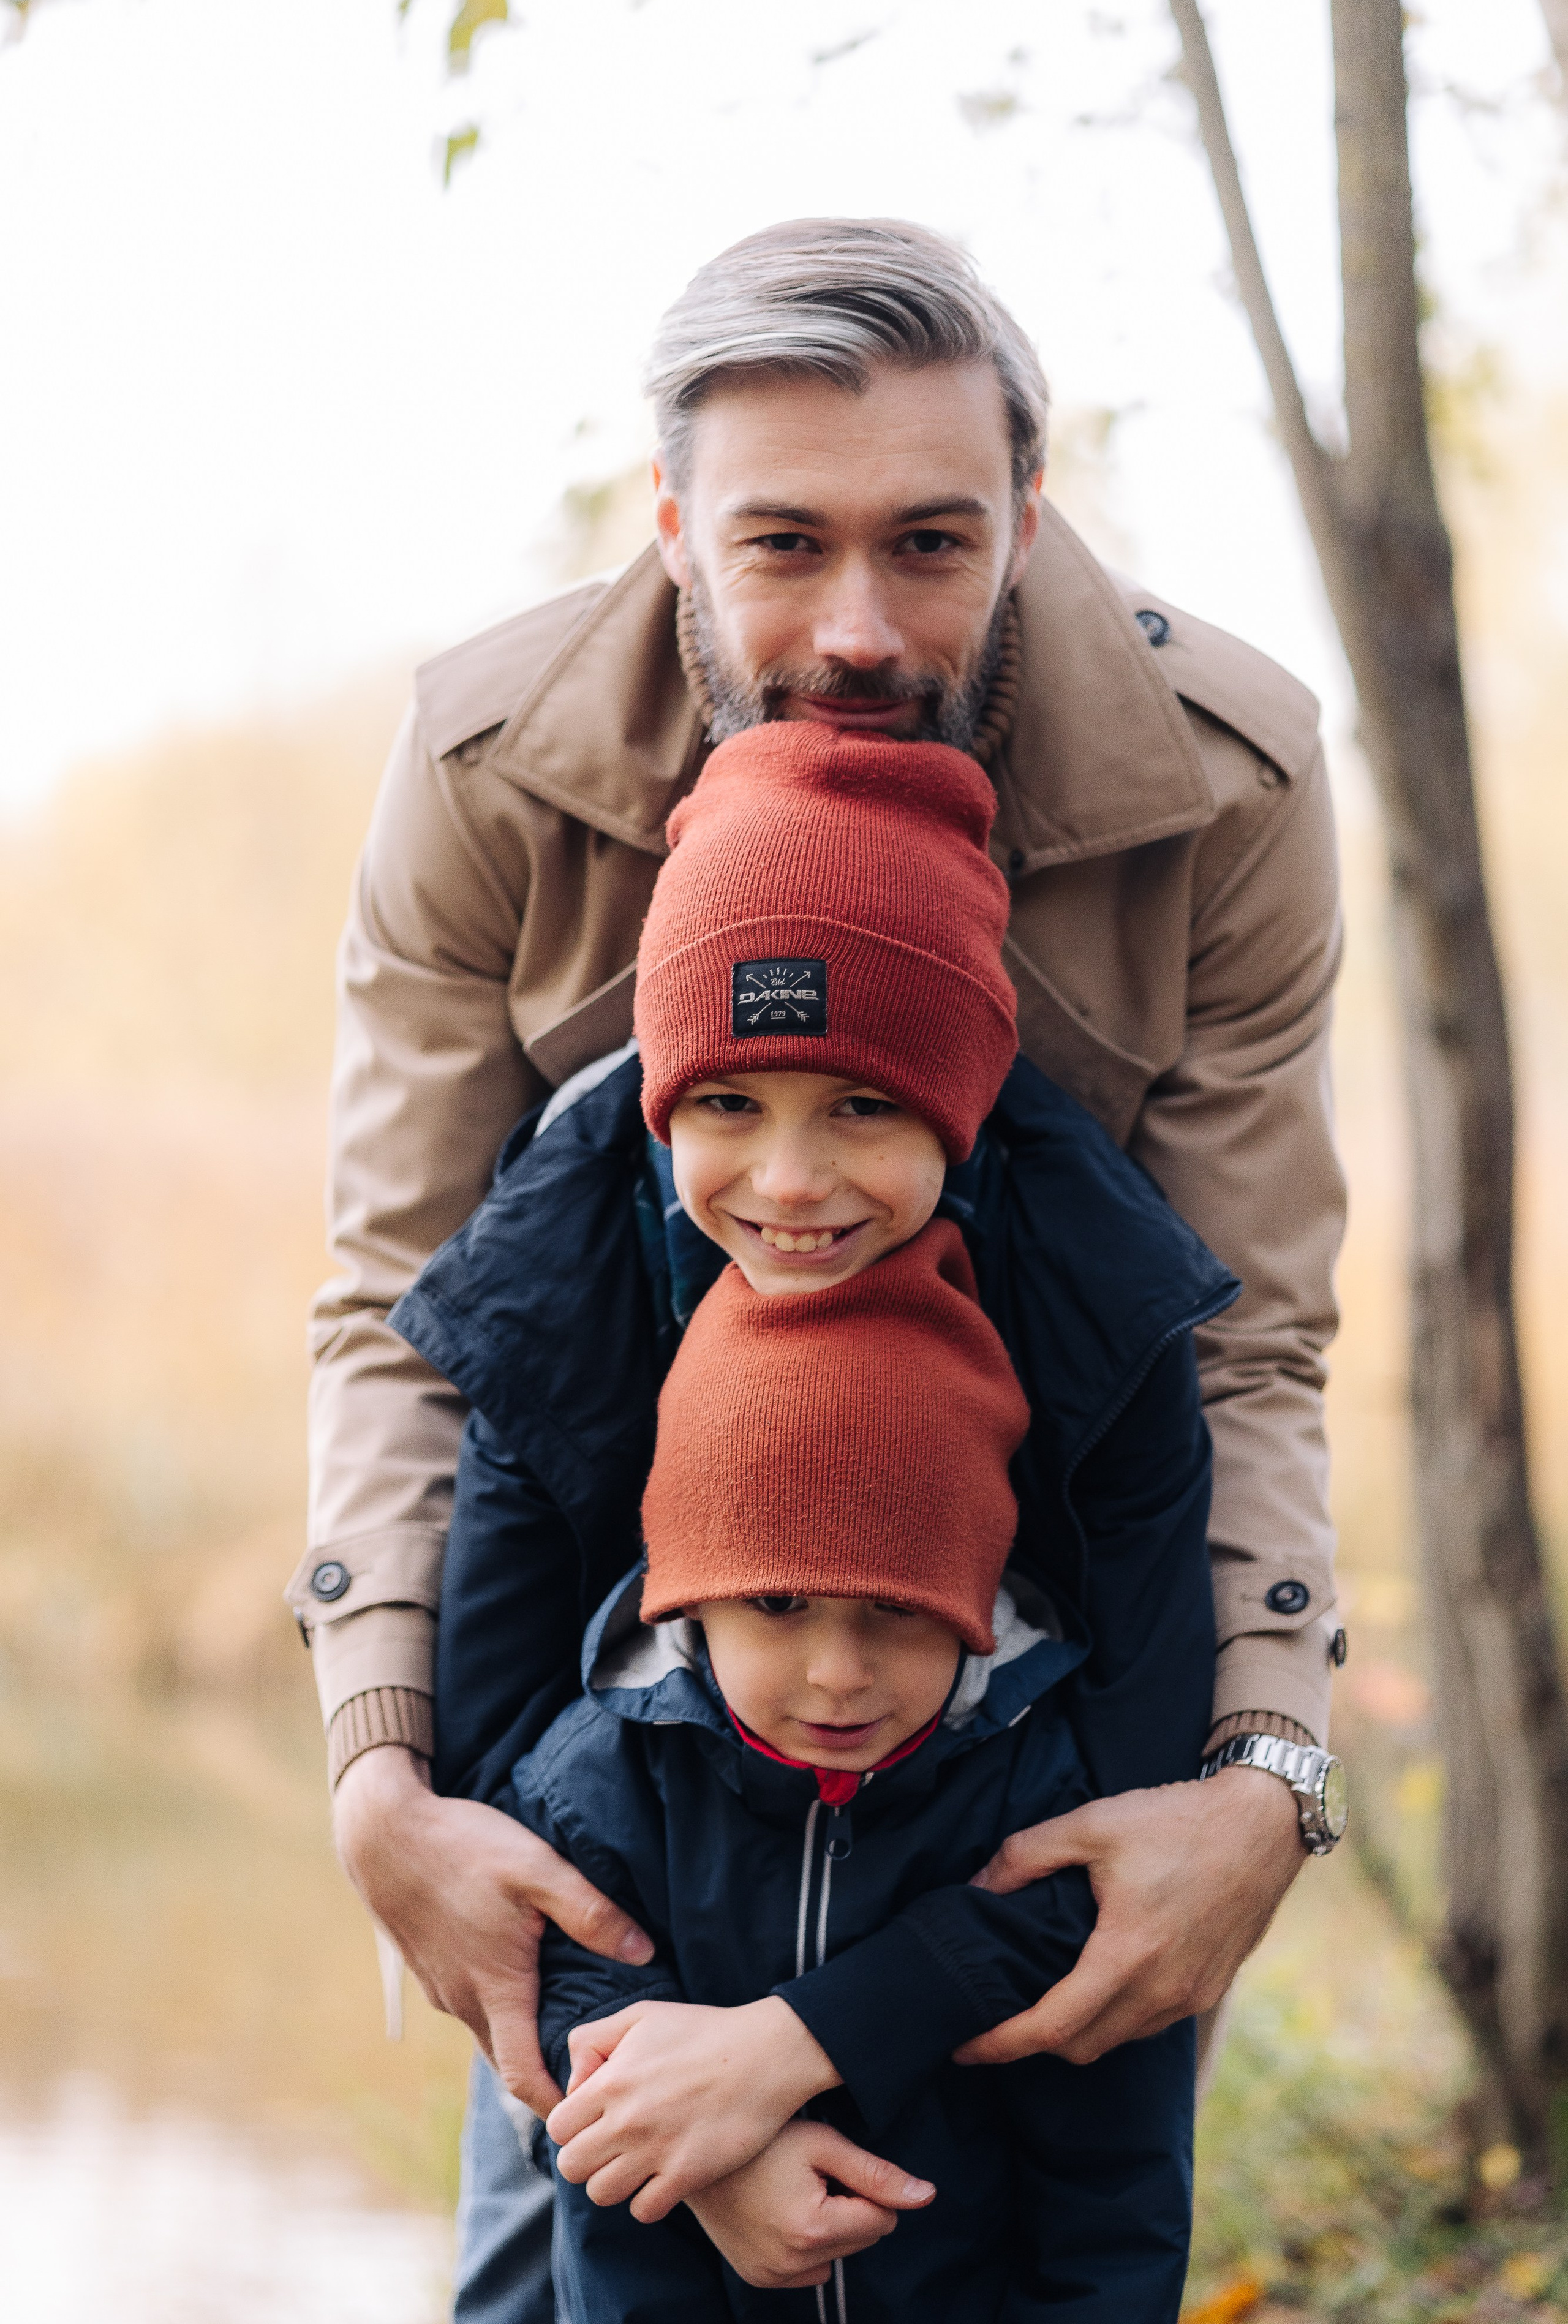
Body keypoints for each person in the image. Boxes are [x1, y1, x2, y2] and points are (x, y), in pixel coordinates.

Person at [292, 218, 1347, 2314]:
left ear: (1031, 512)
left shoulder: (1227, 775)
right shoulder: (488, 761)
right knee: (566, 2251)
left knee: (1048, 2226)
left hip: (1042, 1676)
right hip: (622, 1692)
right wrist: (381, 1770)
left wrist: (1269, 1779)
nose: (859, 625)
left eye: (934, 544)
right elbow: (403, 1311)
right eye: (782, 544)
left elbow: (1254, 1342)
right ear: (670, 523)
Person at [391, 721, 1237, 2303]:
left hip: (968, 2007)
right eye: (729, 1107)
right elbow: (508, 1793)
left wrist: (796, 2051)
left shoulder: (1100, 1296)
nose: (787, 1182)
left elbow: (1110, 1829)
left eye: (860, 1106)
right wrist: (690, 2138)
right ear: (660, 1098)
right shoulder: (563, 1258)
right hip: (639, 1966)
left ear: (959, 1098)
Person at [511, 1220, 1198, 2321]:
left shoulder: (1047, 1793)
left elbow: (1113, 2179)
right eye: (778, 1606)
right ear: (690, 1600)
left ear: (977, 1609)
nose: (839, 1676)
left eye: (897, 1612)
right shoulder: (602, 1780)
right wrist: (718, 2154)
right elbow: (586, 2032)